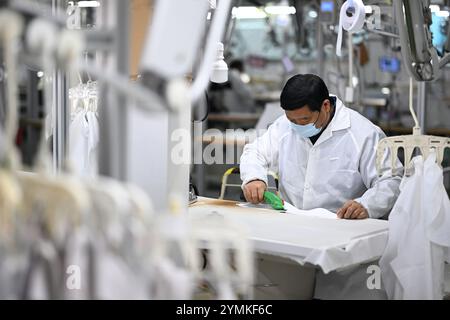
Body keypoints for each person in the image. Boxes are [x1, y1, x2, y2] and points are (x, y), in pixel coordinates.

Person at [240, 74, 401, 219]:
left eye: (304, 120)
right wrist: (254, 178)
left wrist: (366, 205)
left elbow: (391, 180)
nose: (297, 126)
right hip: (289, 218)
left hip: (340, 224)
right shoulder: (284, 125)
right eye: (292, 120)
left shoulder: (364, 133)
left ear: (325, 106)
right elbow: (255, 151)